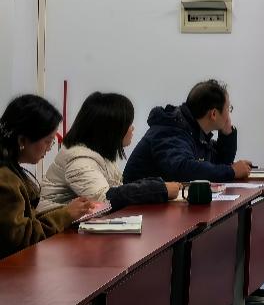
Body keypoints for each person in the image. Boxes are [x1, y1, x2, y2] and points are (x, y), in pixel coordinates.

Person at [40, 92, 177, 211]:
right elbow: (105, 200)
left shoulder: (99, 153)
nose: (132, 128)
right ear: (112, 129)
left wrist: (158, 185)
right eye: (128, 124)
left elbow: (118, 190)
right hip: (56, 230)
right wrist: (160, 189)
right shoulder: (79, 161)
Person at [0, 95, 95, 259]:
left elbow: (28, 219)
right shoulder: (5, 180)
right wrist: (66, 214)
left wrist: (66, 211)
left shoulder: (10, 169)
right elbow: (21, 239)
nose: (50, 148)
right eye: (48, 141)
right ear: (22, 140)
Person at [123, 80, 252, 183]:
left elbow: (218, 164)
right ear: (213, 114)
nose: (229, 113)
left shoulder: (194, 131)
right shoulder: (171, 130)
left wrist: (227, 133)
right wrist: (232, 171)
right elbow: (182, 169)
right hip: (138, 206)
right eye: (228, 108)